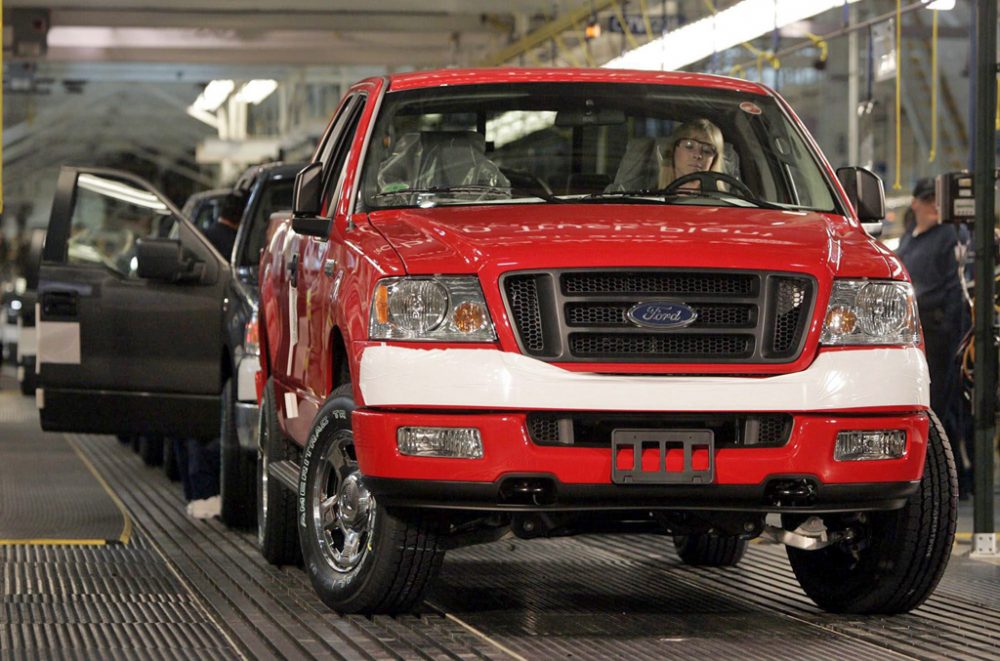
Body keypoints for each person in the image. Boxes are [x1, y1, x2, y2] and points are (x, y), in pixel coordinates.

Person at [895, 177, 973, 497]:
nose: (933, 205)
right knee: (925, 408)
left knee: (944, 408)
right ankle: (932, 478)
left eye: (937, 200)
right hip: (916, 334)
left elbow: (956, 290)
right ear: (915, 203)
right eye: (928, 199)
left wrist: (959, 336)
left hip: (942, 335)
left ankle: (952, 482)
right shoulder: (909, 240)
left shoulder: (950, 236)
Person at [173, 191, 246, 519]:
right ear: (243, 217)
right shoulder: (237, 247)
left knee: (190, 419)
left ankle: (194, 491)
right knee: (214, 421)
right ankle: (206, 492)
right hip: (225, 340)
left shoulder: (199, 241)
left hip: (191, 338)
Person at [657, 118, 726, 189]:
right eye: (689, 146)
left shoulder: (727, 199)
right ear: (673, 150)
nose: (697, 155)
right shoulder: (650, 197)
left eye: (707, 150)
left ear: (714, 160)